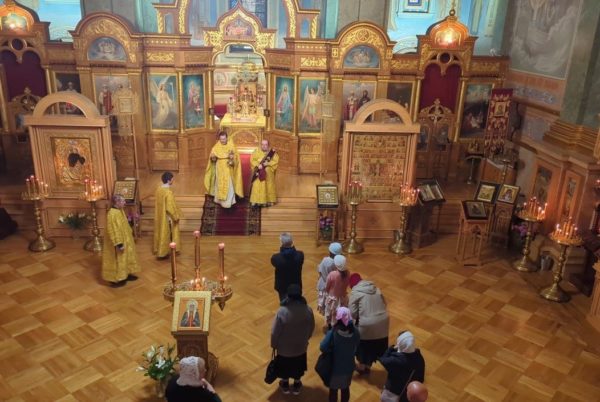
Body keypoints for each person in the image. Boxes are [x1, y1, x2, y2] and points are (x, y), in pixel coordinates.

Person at [271, 284, 315, 395]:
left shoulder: (282, 312)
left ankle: (285, 384)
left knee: (285, 368)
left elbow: (274, 332)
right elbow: (311, 327)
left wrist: (274, 344)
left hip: (284, 349)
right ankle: (296, 385)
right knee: (298, 367)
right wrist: (306, 339)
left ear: (288, 296)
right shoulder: (308, 310)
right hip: (300, 347)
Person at [348, 273, 389, 374]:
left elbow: (352, 313)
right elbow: (385, 304)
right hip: (383, 322)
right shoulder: (376, 289)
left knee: (363, 345)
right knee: (376, 344)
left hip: (367, 324)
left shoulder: (355, 293)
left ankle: (362, 366)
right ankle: (369, 365)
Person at [320, 306, 360, 402]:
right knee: (345, 389)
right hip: (349, 367)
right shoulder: (355, 331)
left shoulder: (333, 333)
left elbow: (323, 347)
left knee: (333, 391)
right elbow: (357, 344)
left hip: (335, 368)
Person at [102, 194, 140, 287]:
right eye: (123, 201)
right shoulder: (112, 214)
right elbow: (113, 230)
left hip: (125, 240)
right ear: (117, 202)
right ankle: (117, 279)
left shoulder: (120, 210)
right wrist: (118, 243)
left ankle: (126, 273)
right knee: (118, 259)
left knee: (125, 257)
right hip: (118, 242)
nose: (124, 202)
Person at [379, 331, 426, 402]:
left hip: (394, 392)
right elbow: (421, 378)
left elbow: (383, 359)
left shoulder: (395, 360)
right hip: (408, 392)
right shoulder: (419, 357)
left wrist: (391, 348)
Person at [204, 131, 243, 208]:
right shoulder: (216, 147)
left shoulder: (231, 146)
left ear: (226, 138)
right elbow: (213, 160)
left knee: (229, 184)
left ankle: (228, 202)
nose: (222, 141)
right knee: (219, 183)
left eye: (224, 139)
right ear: (219, 139)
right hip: (219, 168)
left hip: (228, 168)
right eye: (221, 139)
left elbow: (236, 158)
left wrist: (232, 159)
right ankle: (219, 200)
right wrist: (213, 157)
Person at [154, 172, 182, 259]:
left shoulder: (159, 190)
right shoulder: (168, 192)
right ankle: (165, 252)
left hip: (160, 216)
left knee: (161, 232)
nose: (173, 181)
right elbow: (169, 207)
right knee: (169, 233)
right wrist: (175, 216)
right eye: (172, 179)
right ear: (169, 180)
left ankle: (160, 249)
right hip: (168, 217)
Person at [271, 232, 304, 302]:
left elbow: (274, 263)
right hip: (296, 285)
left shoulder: (276, 258)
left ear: (281, 243)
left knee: (284, 303)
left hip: (282, 287)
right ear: (292, 242)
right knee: (296, 303)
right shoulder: (300, 255)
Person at [317, 243, 343, 323]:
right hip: (333, 286)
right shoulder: (337, 263)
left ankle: (324, 311)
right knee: (330, 301)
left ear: (330, 252)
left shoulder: (325, 260)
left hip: (323, 283)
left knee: (323, 299)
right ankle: (329, 314)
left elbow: (319, 270)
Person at [249, 139, 279, 207]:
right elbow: (252, 160)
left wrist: (268, 163)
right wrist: (257, 165)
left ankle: (269, 200)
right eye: (262, 144)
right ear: (260, 145)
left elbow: (276, 161)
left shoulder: (272, 153)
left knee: (269, 185)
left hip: (268, 172)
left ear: (268, 145)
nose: (264, 146)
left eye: (265, 145)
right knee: (256, 185)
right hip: (258, 171)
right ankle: (255, 200)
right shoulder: (256, 151)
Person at [325, 255, 350, 328]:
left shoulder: (332, 274)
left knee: (331, 313)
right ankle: (340, 325)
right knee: (341, 314)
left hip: (333, 299)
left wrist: (327, 292)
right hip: (343, 298)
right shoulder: (348, 273)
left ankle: (331, 327)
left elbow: (327, 286)